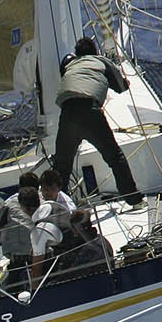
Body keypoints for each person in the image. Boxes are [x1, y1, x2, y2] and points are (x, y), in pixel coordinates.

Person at [52, 37, 143, 207]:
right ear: (95, 52)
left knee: (62, 165)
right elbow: (121, 87)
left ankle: (59, 209)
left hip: (67, 112)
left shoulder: (69, 65)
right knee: (115, 158)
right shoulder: (101, 61)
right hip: (89, 111)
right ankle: (134, 200)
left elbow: (66, 74)